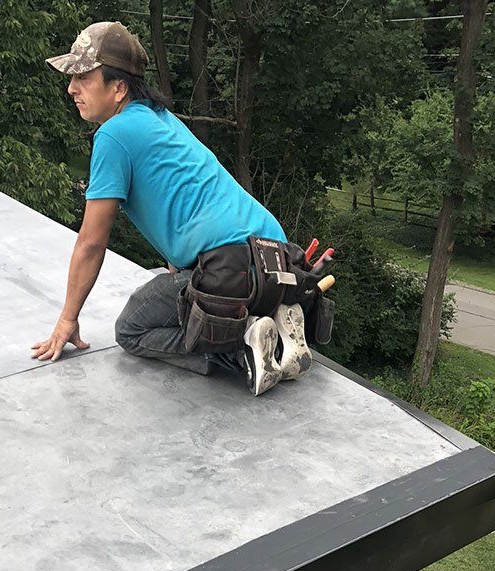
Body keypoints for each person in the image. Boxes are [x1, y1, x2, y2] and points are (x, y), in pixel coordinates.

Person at [33, 21, 308, 395]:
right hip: (278, 262)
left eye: (83, 77)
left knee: (132, 329)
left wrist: (67, 319)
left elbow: (91, 243)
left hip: (230, 270)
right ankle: (270, 319)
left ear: (118, 88)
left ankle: (242, 347)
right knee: (179, 287)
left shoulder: (114, 136)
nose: (72, 88)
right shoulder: (160, 120)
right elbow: (190, 200)